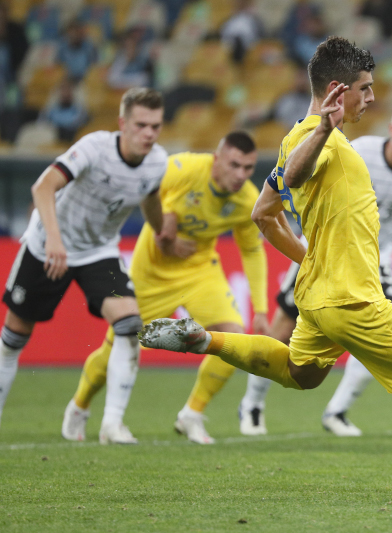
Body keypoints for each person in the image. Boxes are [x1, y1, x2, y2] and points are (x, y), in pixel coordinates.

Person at [140, 36, 392, 495]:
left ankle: (205, 339)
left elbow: (263, 212)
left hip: (318, 297)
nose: (372, 98)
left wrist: (311, 259)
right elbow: (291, 179)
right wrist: (322, 130)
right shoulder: (317, 138)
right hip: (354, 299)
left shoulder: (304, 139)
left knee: (301, 374)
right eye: (366, 88)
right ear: (339, 89)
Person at [239, 100, 392, 437]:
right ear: (391, 130)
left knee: (380, 338)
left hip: (374, 260)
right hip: (324, 251)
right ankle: (252, 403)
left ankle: (337, 411)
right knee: (283, 329)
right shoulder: (359, 150)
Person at [62, 132, 269, 445]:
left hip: (199, 272)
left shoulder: (246, 200)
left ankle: (192, 415)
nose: (241, 175)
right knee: (116, 350)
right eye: (234, 165)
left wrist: (262, 308)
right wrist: (164, 227)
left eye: (248, 168)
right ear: (217, 159)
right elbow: (146, 189)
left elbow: (253, 251)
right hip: (152, 274)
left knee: (234, 340)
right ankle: (79, 406)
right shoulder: (183, 167)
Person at [1, 88, 167, 442]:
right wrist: (55, 239)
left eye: (155, 126)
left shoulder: (158, 162)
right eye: (141, 125)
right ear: (123, 123)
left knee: (129, 324)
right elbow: (43, 187)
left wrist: (162, 231)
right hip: (48, 246)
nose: (149, 134)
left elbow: (150, 197)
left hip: (97, 252)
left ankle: (112, 424)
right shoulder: (94, 147)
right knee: (13, 338)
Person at [39, 78, 89, 142]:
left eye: (68, 89)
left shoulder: (80, 109)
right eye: (63, 89)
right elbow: (42, 123)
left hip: (73, 137)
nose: (65, 92)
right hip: (54, 137)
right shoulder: (51, 109)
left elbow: (76, 122)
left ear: (73, 91)